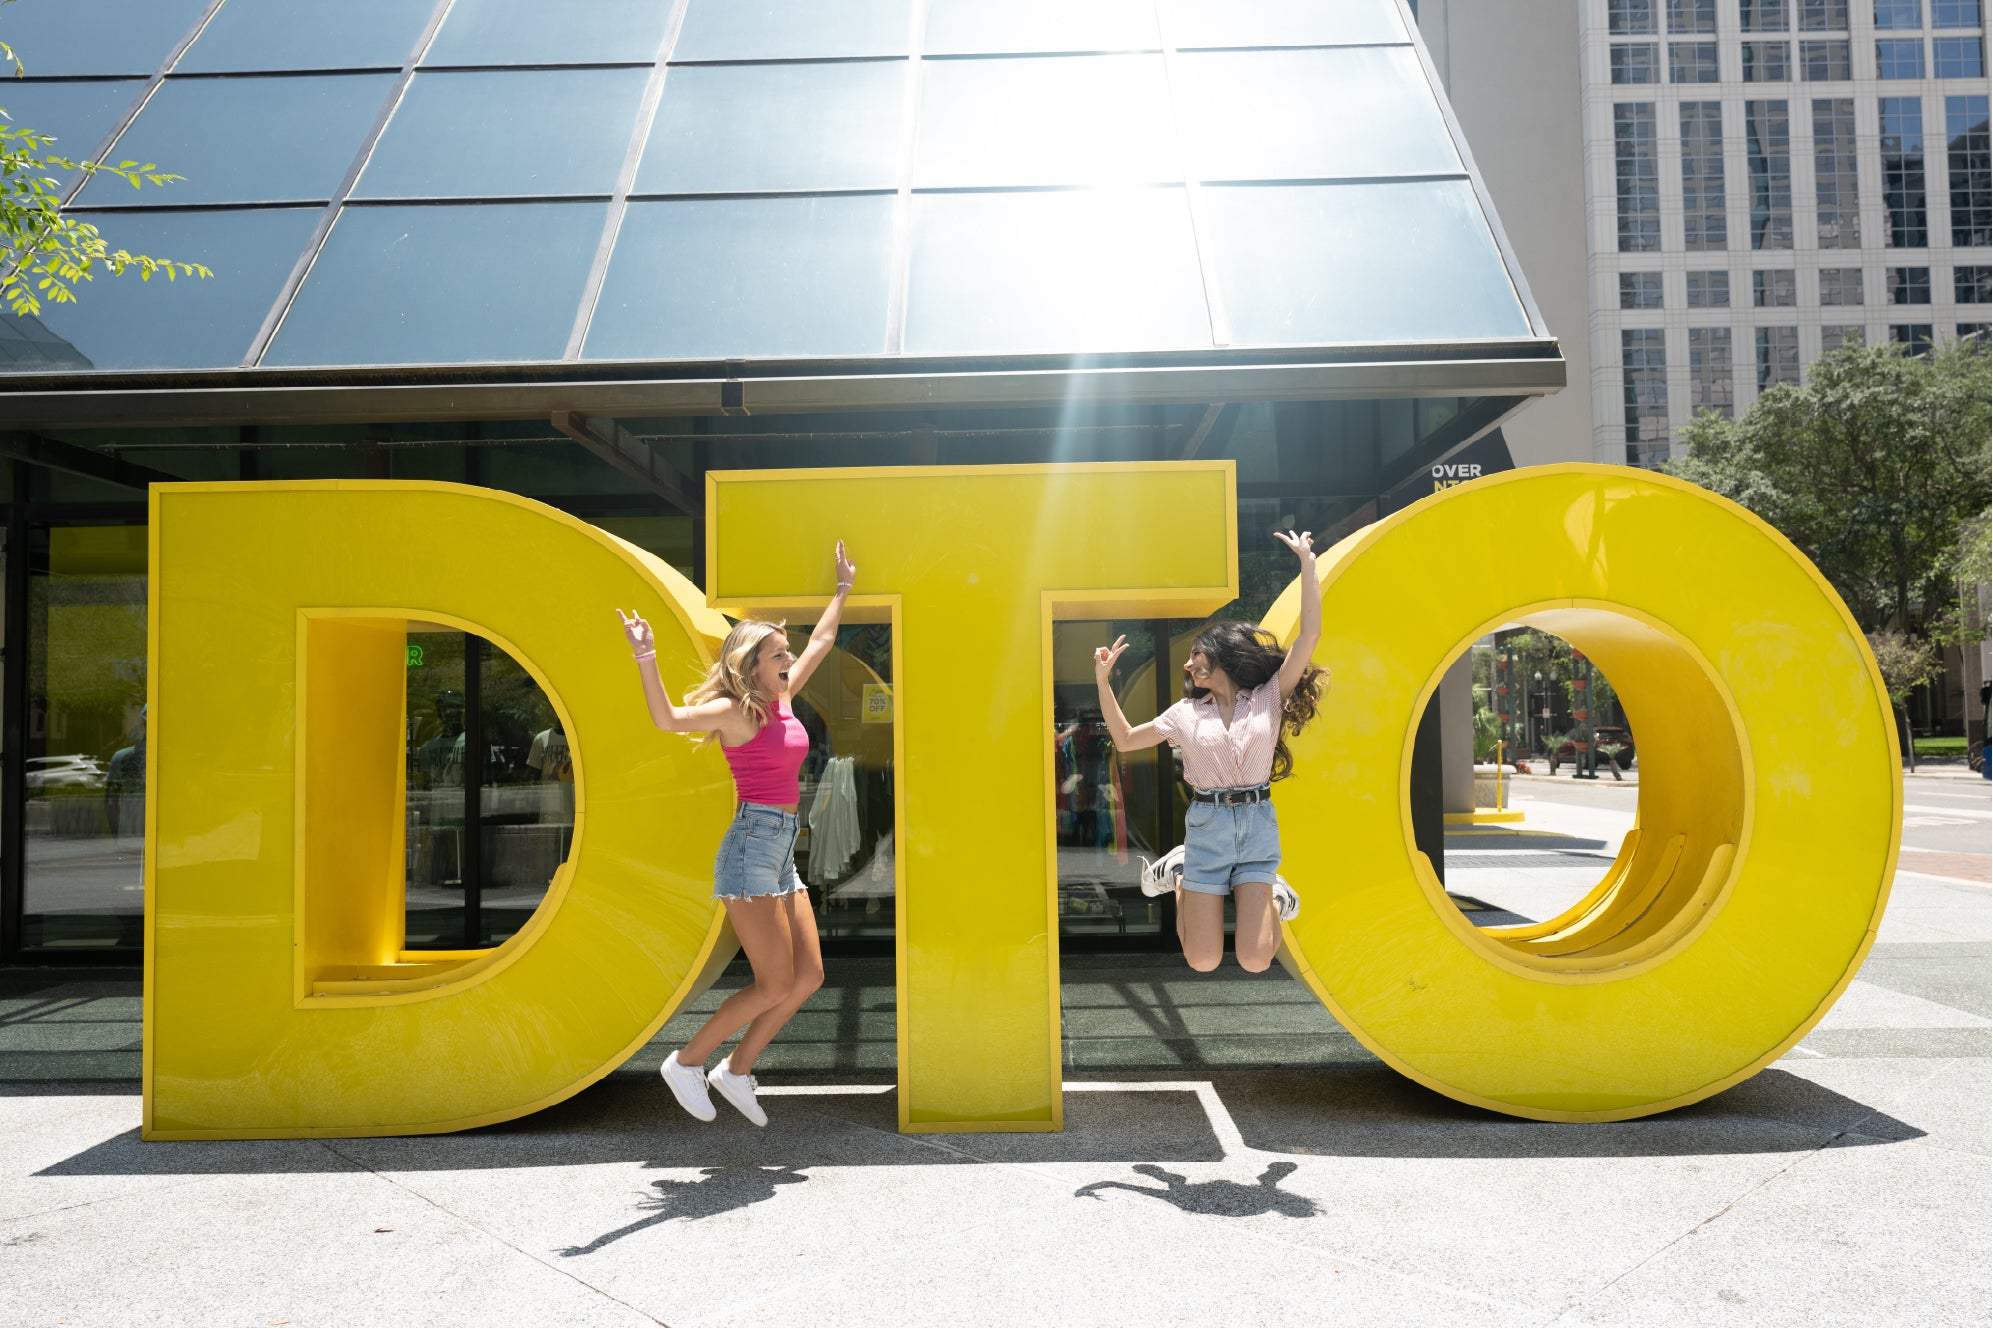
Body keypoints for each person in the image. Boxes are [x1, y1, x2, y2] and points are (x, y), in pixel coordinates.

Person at [615, 540, 856, 1127]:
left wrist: (844, 590)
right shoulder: (734, 711)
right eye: (779, 654)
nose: (789, 660)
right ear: (752, 662)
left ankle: (737, 1070)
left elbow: (822, 640)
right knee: (772, 981)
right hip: (751, 846)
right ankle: (686, 1061)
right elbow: (667, 719)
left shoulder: (783, 697)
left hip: (778, 850)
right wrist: (645, 658)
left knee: (808, 977)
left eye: (788, 654)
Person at [1092, 531, 1326, 974]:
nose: (1186, 663)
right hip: (1207, 827)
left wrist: (1308, 564)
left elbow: (1309, 635)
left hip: (1257, 826)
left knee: (1257, 960)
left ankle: (1275, 893)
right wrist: (1103, 683)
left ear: (1219, 656)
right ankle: (1179, 872)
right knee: (1202, 959)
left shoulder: (1268, 697)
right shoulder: (1183, 713)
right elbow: (1124, 739)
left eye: (1195, 655)